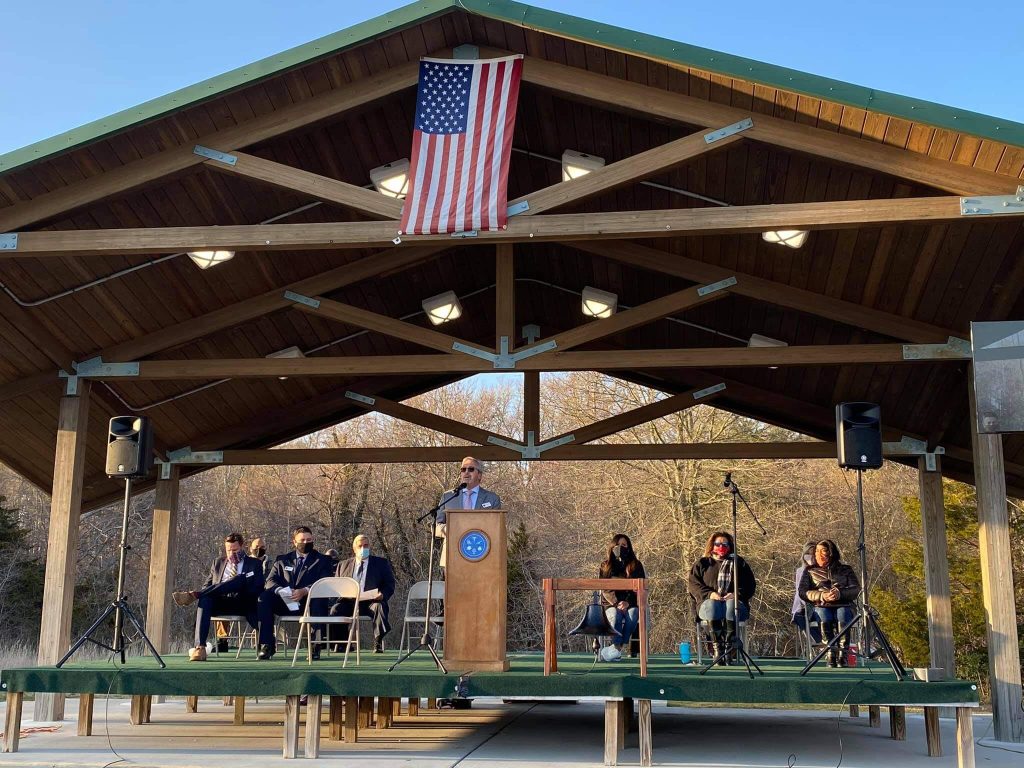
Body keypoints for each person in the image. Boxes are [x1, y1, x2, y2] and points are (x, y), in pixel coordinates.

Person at [172, 532, 265, 662]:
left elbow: (259, 587)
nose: (232, 553)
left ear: (242, 547)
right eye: (229, 550)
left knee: (239, 579)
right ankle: (200, 647)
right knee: (205, 599)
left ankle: (194, 595)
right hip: (221, 602)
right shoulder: (218, 563)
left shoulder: (254, 564)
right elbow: (207, 586)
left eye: (235, 550)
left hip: (243, 602)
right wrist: (210, 591)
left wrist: (240, 584)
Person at [256, 526, 334, 660]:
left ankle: (315, 646)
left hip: (309, 603)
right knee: (264, 598)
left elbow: (325, 581)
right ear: (294, 542)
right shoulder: (282, 560)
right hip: (286, 602)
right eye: (302, 540)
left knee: (318, 600)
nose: (305, 542)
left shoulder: (323, 560)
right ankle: (267, 644)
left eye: (309, 539)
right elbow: (270, 581)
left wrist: (304, 591)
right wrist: (281, 590)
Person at [687, 531, 756, 665]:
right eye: (718, 544)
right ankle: (717, 649)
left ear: (730, 546)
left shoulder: (738, 563)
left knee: (731, 605)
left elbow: (750, 585)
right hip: (708, 605)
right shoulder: (702, 563)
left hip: (735, 604)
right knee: (712, 605)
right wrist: (710, 594)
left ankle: (729, 649)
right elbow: (693, 585)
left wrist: (736, 594)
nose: (721, 547)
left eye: (725, 544)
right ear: (712, 545)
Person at [330, 534, 397, 653]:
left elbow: (390, 584)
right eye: (360, 546)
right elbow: (337, 585)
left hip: (372, 601)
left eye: (366, 545)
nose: (363, 548)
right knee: (336, 610)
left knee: (379, 607)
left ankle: (378, 641)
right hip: (349, 601)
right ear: (354, 548)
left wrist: (382, 594)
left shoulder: (381, 563)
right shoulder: (343, 565)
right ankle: (342, 644)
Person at [799, 539, 861, 667]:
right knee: (824, 615)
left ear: (831, 553)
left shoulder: (846, 570)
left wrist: (840, 593)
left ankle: (843, 655)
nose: (819, 554)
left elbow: (856, 590)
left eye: (823, 551)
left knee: (843, 614)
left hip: (843, 604)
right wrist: (822, 595)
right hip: (820, 604)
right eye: (816, 551)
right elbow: (803, 592)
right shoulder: (810, 571)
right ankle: (830, 653)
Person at [435, 456, 502, 570]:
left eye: (471, 469)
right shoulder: (448, 496)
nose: (466, 472)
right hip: (452, 556)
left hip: (482, 555)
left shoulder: (492, 499)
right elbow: (436, 525)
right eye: (463, 469)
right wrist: (448, 530)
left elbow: (497, 528)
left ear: (479, 475)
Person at [599, 533, 646, 657]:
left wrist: (627, 602)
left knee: (633, 614)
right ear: (612, 546)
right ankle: (617, 648)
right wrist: (616, 603)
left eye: (624, 545)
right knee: (616, 614)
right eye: (618, 545)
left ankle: (617, 648)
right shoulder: (605, 566)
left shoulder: (636, 565)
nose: (620, 547)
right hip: (611, 604)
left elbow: (639, 589)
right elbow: (605, 588)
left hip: (630, 604)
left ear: (629, 547)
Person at [791, 541, 822, 647]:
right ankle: (815, 640)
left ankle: (820, 640)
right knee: (800, 616)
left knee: (817, 617)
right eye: (808, 555)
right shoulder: (800, 571)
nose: (811, 558)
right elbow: (800, 591)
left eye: (813, 555)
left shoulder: (822, 571)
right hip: (803, 605)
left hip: (818, 604)